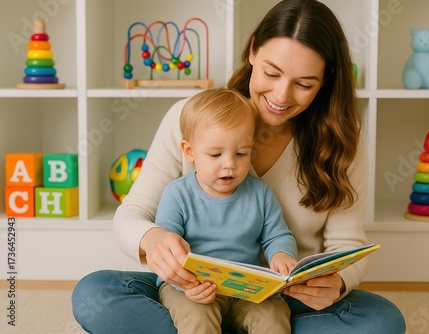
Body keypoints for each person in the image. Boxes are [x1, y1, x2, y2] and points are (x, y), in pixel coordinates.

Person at [72, 0, 406, 333]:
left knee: (382, 321)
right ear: (252, 52)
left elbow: (347, 246)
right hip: (193, 289)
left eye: (304, 84)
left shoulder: (340, 141)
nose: (281, 94)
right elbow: (132, 212)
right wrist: (153, 239)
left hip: (280, 297)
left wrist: (337, 282)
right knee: (95, 295)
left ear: (326, 80)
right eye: (271, 73)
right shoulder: (189, 117)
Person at [156, 88, 298, 333]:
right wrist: (186, 285)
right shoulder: (177, 194)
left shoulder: (260, 192)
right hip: (190, 288)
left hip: (245, 290)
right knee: (198, 318)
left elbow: (278, 235)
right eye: (215, 154)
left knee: (274, 314)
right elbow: (168, 252)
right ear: (189, 152)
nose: (230, 164)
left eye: (241, 153)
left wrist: (281, 255)